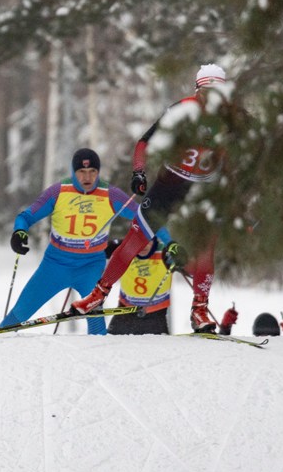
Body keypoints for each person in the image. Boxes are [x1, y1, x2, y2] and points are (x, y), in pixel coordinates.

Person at [72, 64, 233, 333]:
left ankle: (200, 309)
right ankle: (97, 295)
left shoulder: (233, 119)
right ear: (197, 91)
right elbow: (143, 142)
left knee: (207, 249)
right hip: (171, 184)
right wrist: (139, 172)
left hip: (204, 190)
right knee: (135, 239)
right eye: (206, 92)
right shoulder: (181, 111)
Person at [0, 148, 137, 335]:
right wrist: (19, 233)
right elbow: (25, 217)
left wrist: (167, 244)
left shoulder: (110, 195)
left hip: (90, 266)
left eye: (92, 172)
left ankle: (101, 359)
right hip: (55, 265)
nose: (87, 177)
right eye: (81, 172)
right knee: (21, 312)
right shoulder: (58, 192)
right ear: (73, 172)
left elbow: (147, 218)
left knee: (95, 320)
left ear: (98, 172)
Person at [106, 238, 174, 335]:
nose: (143, 246)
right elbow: (95, 251)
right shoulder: (123, 247)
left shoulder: (166, 251)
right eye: (139, 240)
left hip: (155, 316)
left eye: (148, 241)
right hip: (125, 313)